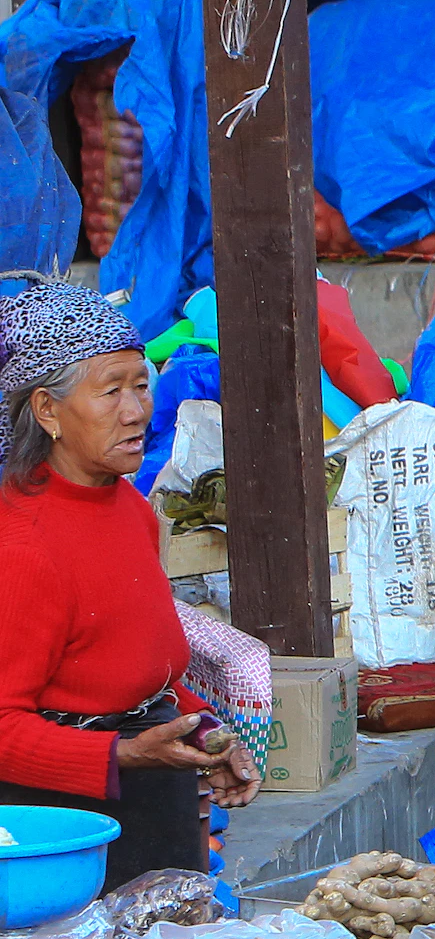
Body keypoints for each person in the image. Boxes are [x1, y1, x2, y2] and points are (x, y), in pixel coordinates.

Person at [0, 279, 253, 883]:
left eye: (141, 385)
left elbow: (137, 670)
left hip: (151, 791)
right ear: (47, 411)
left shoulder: (131, 509)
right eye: (111, 390)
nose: (137, 411)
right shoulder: (24, 546)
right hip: (71, 829)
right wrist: (125, 753)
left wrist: (207, 732)